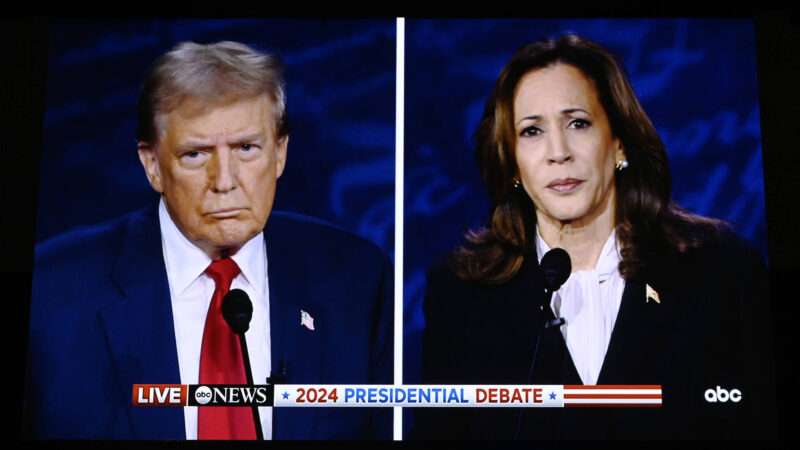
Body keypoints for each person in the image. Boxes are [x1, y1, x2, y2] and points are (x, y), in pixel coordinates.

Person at [413, 34, 777, 439]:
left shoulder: (720, 270)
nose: (559, 151)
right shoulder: (463, 295)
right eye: (532, 131)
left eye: (578, 123)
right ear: (512, 162)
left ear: (619, 141)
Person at [24, 41, 393, 440]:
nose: (224, 182)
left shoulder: (356, 280)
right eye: (196, 155)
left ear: (280, 153)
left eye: (246, 148)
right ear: (153, 166)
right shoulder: (52, 293)